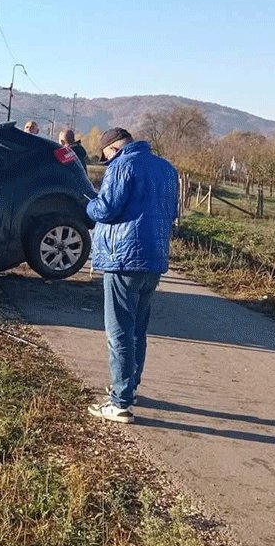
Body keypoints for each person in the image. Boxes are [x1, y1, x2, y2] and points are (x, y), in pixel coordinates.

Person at [85, 127, 179, 423]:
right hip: (154, 256)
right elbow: (172, 211)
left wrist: (88, 203)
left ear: (111, 149)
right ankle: (130, 386)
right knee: (138, 327)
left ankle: (120, 401)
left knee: (118, 331)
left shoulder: (121, 165)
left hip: (123, 258)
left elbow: (107, 209)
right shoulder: (166, 168)